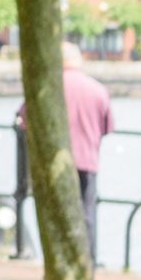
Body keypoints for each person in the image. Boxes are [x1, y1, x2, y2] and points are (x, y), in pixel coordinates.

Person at [62, 53, 115, 254]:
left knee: (59, 215)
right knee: (87, 216)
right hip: (88, 160)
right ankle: (87, 263)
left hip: (58, 164)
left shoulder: (49, 89)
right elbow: (108, 125)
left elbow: (24, 118)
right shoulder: (97, 89)